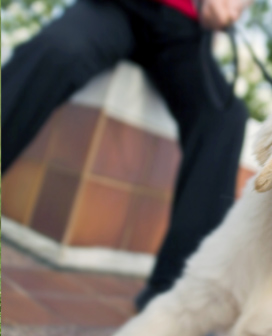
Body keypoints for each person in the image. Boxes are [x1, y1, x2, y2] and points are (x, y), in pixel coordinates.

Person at [1, 0, 250, 311]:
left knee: (225, 119)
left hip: (184, 30)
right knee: (57, 51)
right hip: (116, 8)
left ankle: (180, 291)